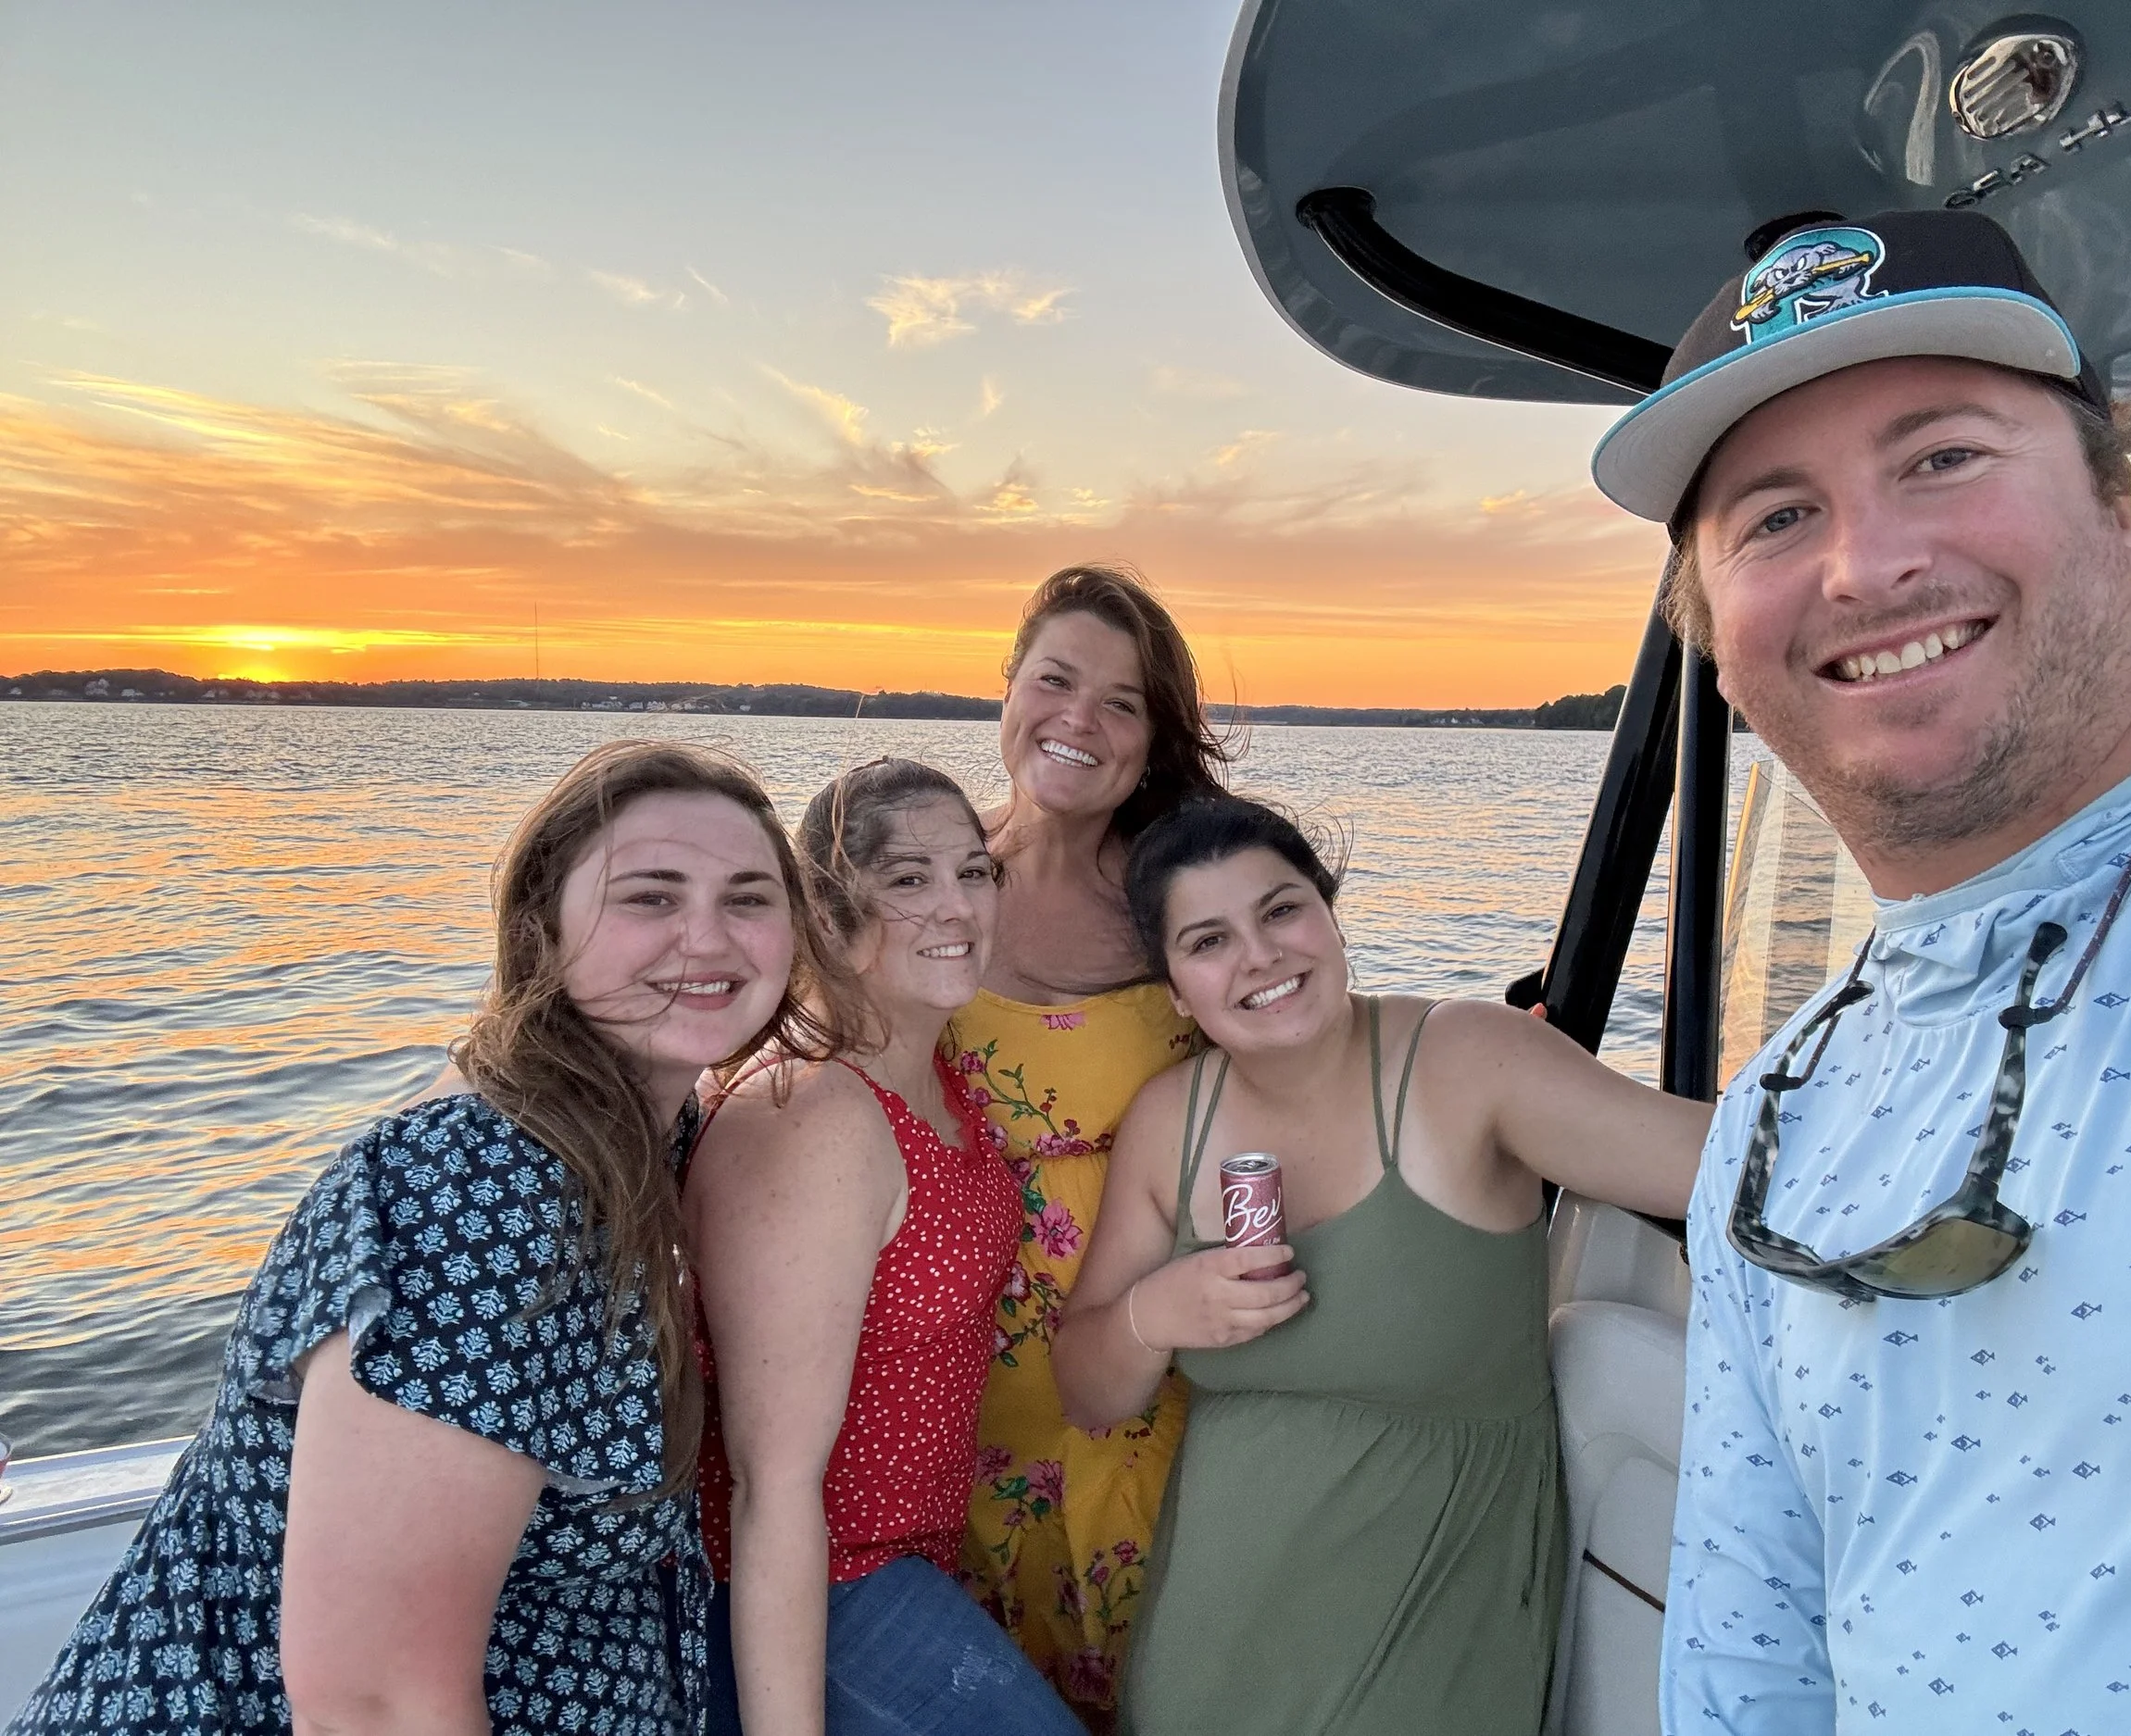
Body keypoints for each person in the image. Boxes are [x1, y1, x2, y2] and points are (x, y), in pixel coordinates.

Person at [1583, 208, 2131, 1730]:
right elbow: (1748, 1661)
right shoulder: (1774, 1124)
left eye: (1943, 458)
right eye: (1775, 518)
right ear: (1719, 644)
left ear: (2122, 519)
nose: (1867, 562)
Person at [7, 739, 846, 1735]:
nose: (706, 939)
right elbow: (374, 1706)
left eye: (748, 898)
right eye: (649, 898)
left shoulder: (639, 1140)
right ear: (544, 932)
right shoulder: (476, 1191)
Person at [1049, 795, 1708, 1735]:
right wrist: (1155, 1315)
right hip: (1215, 1646)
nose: (1260, 957)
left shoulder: (1463, 1059)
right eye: (1207, 941)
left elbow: (1726, 1166)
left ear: (1327, 911)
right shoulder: (1172, 1121)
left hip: (1432, 1622)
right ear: (1172, 990)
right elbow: (1088, 1393)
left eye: (1281, 910)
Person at [683, 758, 1082, 1736]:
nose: (956, 907)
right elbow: (767, 1489)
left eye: (974, 872)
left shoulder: (936, 1070)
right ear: (829, 912)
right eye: (909, 881)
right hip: (823, 1586)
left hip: (912, 1560)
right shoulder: (813, 1110)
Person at [946, 564, 1232, 1726]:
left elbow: (1299, 1055)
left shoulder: (1184, 899)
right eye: (1055, 679)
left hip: (1138, 1395)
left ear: (1153, 739)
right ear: (1007, 687)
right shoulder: (913, 874)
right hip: (941, 1401)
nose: (1079, 719)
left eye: (1121, 702)